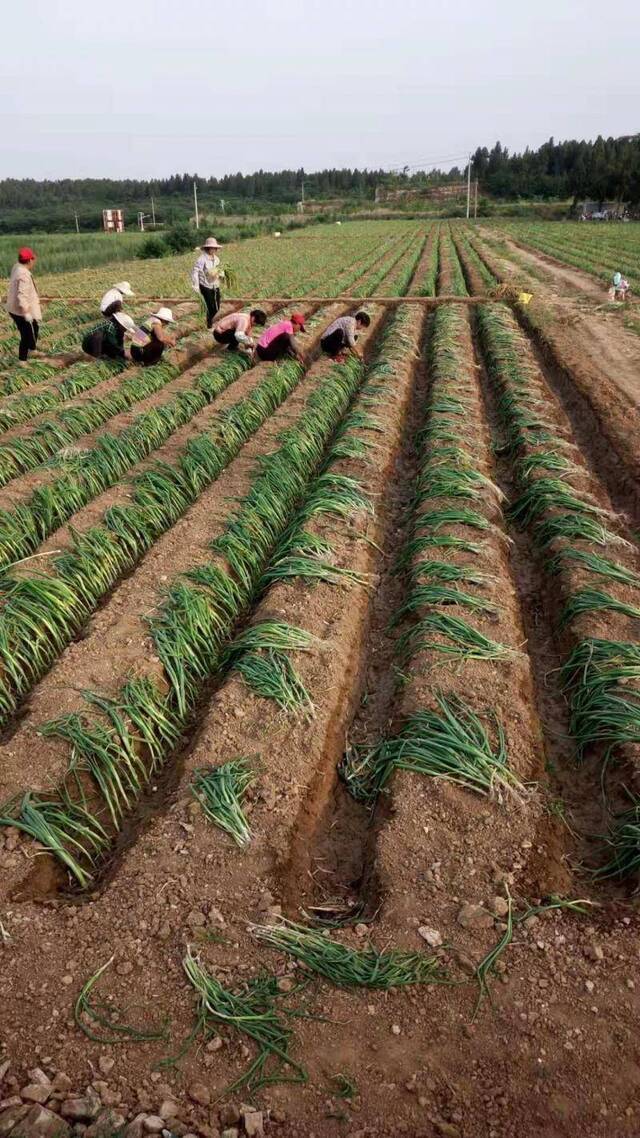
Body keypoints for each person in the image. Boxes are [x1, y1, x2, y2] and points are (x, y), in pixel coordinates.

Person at [6, 247, 41, 362]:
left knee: (34, 326)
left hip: (14, 307)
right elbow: (22, 296)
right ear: (30, 260)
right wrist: (26, 313)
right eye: (33, 259)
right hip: (19, 310)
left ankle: (33, 350)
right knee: (26, 335)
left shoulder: (17, 267)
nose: (34, 262)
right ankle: (22, 361)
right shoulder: (24, 275)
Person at [191, 236, 225, 328]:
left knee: (217, 307)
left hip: (215, 285)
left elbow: (219, 269)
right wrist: (196, 285)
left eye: (215, 248)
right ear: (207, 248)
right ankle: (209, 324)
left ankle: (211, 321)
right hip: (205, 285)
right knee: (210, 307)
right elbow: (195, 271)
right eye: (211, 248)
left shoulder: (217, 259)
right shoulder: (201, 259)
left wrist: (222, 275)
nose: (213, 250)